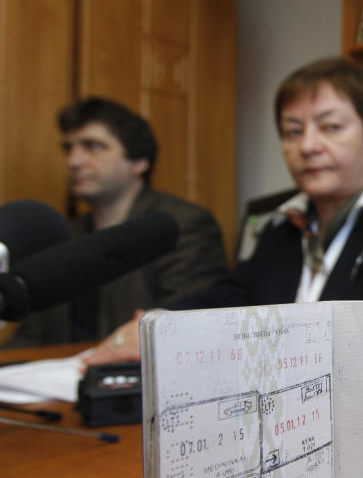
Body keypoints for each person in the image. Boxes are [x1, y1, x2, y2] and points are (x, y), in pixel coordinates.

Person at [85, 57, 363, 364]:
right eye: (293, 131)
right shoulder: (281, 228)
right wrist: (157, 325)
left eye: (330, 127)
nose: (308, 146)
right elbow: (228, 299)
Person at [7, 97, 229, 346]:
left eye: (93, 146)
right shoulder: (65, 235)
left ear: (138, 162)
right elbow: (32, 336)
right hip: (55, 376)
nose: (74, 161)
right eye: (69, 148)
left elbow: (186, 325)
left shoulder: (182, 225)